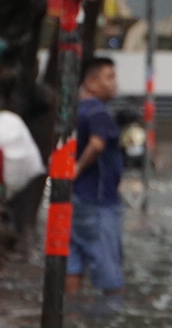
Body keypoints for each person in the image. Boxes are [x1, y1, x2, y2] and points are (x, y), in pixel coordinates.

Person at [67, 56, 125, 296]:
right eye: (109, 77)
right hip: (99, 201)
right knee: (109, 271)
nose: (115, 83)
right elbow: (98, 144)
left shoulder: (75, 110)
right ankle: (110, 325)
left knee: (74, 263)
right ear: (90, 82)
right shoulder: (98, 112)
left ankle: (71, 314)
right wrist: (77, 170)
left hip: (75, 199)